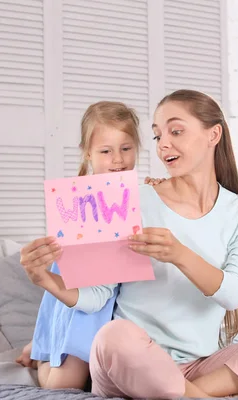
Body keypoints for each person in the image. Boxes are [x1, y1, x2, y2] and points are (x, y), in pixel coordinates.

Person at [23, 89, 238, 398]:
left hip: (200, 366)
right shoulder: (124, 199)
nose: (163, 144)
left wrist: (179, 254)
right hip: (130, 363)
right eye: (157, 136)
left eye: (176, 131)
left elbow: (234, 293)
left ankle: (183, 394)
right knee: (114, 336)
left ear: (214, 135)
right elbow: (96, 297)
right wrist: (46, 278)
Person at [15, 100, 143, 390]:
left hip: (122, 299)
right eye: (106, 151)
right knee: (65, 384)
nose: (118, 160)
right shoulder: (78, 197)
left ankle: (37, 347)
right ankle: (40, 358)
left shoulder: (141, 193)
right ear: (88, 152)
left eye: (126, 148)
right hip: (84, 294)